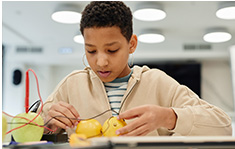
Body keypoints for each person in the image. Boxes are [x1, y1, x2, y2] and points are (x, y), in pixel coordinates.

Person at [40, 1, 232, 136]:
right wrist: (47, 122)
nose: (101, 62)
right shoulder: (72, 84)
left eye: (112, 50)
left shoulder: (157, 82)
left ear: (131, 44)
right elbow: (27, 128)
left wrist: (169, 117)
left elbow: (223, 125)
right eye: (91, 51)